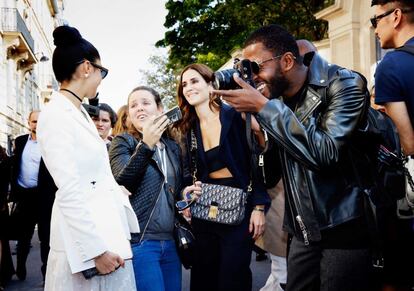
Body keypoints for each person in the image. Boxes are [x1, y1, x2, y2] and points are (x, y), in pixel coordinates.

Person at [213, 24, 373, 291]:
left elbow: (326, 154)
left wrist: (266, 109)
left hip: (344, 225)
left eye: (256, 67)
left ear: (287, 61)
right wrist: (260, 134)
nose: (253, 77)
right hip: (302, 229)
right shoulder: (277, 101)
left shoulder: (345, 84)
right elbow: (269, 175)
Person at [36, 25, 139, 291]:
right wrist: (96, 251)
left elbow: (91, 175)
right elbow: (69, 189)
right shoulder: (56, 114)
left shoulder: (78, 111)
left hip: (104, 233)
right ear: (86, 68)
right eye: (101, 71)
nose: (101, 78)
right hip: (85, 249)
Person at [174, 63, 270, 291]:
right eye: (184, 84)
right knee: (203, 277)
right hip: (204, 208)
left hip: (238, 207)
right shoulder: (187, 127)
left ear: (210, 84)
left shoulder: (235, 115)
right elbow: (187, 173)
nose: (188, 87)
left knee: (233, 278)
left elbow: (258, 162)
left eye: (195, 81)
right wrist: (186, 193)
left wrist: (258, 207)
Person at [109, 86, 199, 291]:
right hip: (141, 241)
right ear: (129, 116)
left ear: (160, 110)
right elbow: (123, 181)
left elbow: (176, 190)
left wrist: (185, 194)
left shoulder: (172, 146)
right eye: (133, 105)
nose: (139, 108)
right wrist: (146, 145)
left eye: (145, 103)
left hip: (170, 241)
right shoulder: (123, 142)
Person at [372, 0, 414, 289]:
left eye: (375, 20)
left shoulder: (391, 65)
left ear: (395, 16)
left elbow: (409, 144)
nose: (374, 29)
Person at [9, 110, 57, 281]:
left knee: (46, 237)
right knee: (23, 237)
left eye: (40, 121)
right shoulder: (20, 141)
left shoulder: (51, 144)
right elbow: (15, 165)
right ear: (29, 122)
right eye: (34, 121)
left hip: (43, 198)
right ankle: (20, 268)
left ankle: (47, 276)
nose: (37, 124)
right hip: (24, 197)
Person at [0, 145, 14, 290]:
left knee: (2, 242)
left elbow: (5, 183)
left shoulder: (4, 160)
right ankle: (6, 272)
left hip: (0, 205)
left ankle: (3, 276)